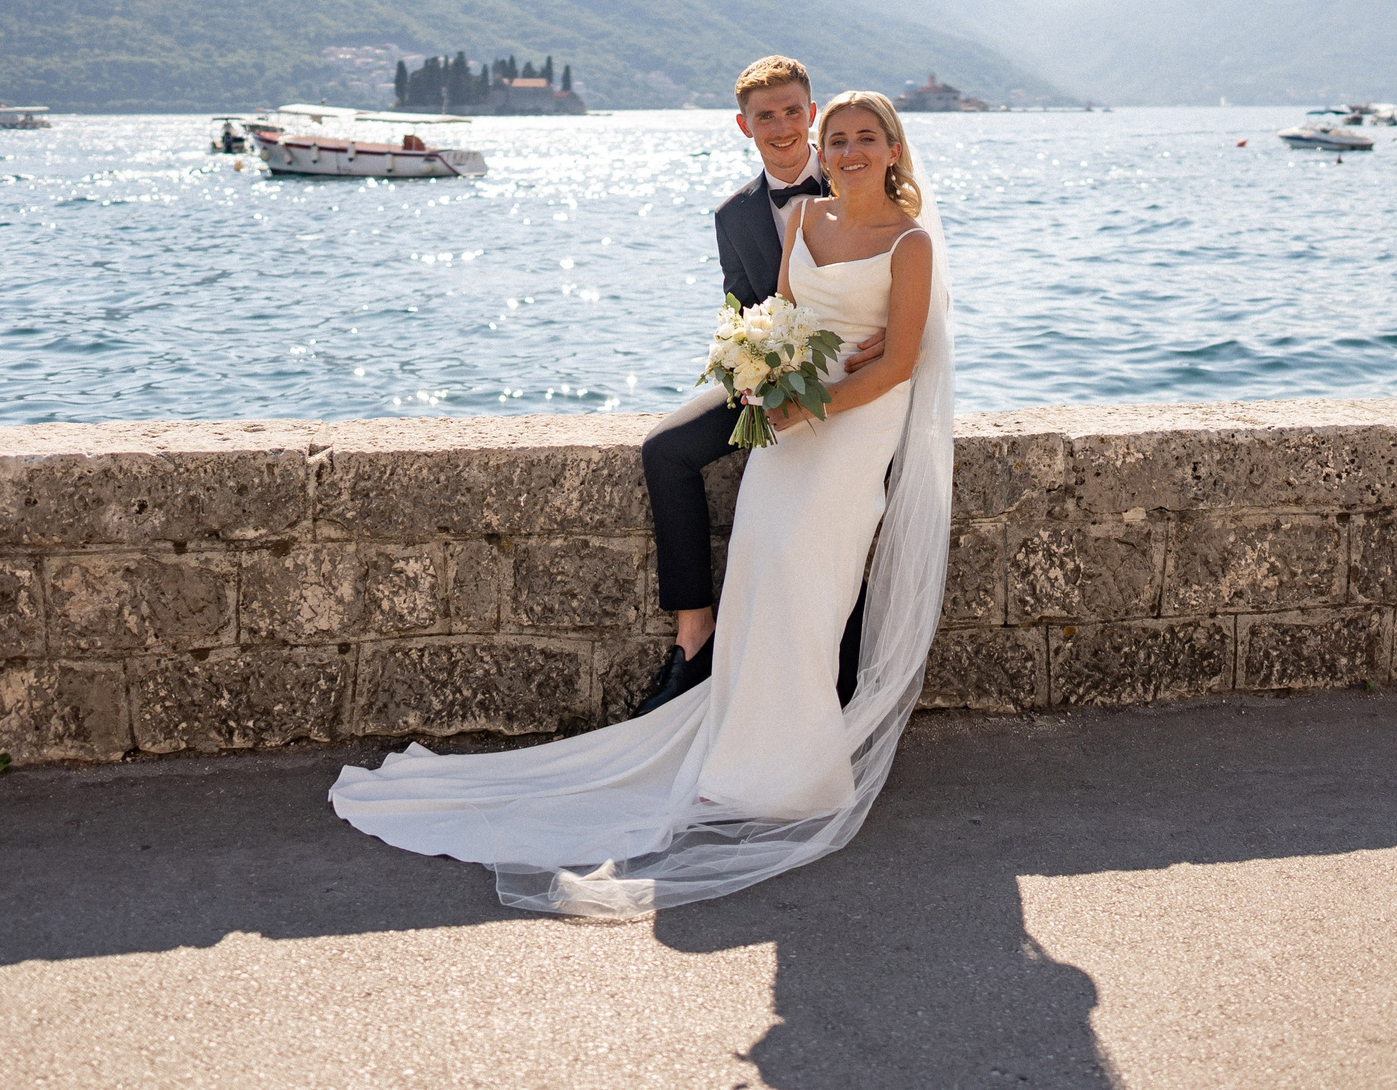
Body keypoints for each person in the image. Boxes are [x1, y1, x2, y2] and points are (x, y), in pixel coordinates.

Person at [326, 90, 955, 917]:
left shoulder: (909, 244)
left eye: (864, 138)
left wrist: (812, 403)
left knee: (813, 584)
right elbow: (776, 322)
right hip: (785, 423)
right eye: (837, 138)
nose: (846, 150)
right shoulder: (802, 225)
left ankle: (798, 769)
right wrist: (762, 377)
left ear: (893, 149)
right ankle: (738, 754)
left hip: (850, 431)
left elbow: (899, 365)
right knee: (761, 573)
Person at [634, 56, 883, 718]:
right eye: (764, 116)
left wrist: (886, 341)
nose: (780, 126)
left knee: (812, 505)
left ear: (812, 113)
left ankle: (833, 686)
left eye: (792, 111)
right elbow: (741, 310)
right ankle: (696, 634)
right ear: (743, 125)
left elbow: (906, 270)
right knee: (665, 450)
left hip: (856, 381)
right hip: (772, 382)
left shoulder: (856, 175)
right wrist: (752, 375)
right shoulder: (732, 215)